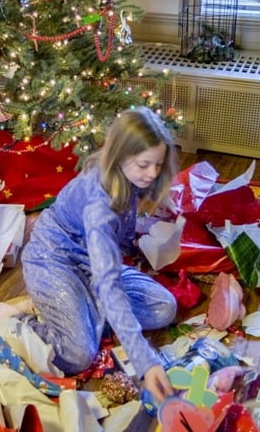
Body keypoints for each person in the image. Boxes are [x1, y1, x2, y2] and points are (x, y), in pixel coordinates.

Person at [20, 107, 180, 404]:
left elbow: (112, 260)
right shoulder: (100, 208)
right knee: (79, 354)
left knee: (164, 309)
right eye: (145, 165)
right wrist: (146, 362)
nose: (154, 173)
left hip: (94, 262)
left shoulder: (126, 176)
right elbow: (108, 283)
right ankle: (19, 321)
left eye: (158, 164)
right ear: (120, 156)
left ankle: (86, 308)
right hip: (53, 259)